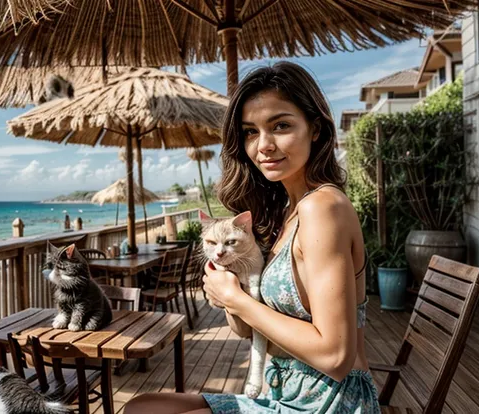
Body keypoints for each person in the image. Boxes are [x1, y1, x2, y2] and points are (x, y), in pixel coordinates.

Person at [123, 61, 380, 413]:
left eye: (281, 126)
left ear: (315, 129)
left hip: (328, 401)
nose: (264, 146)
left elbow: (335, 355)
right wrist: (229, 292)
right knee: (143, 406)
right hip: (283, 388)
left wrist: (238, 300)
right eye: (250, 132)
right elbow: (246, 330)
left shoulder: (323, 208)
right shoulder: (286, 212)